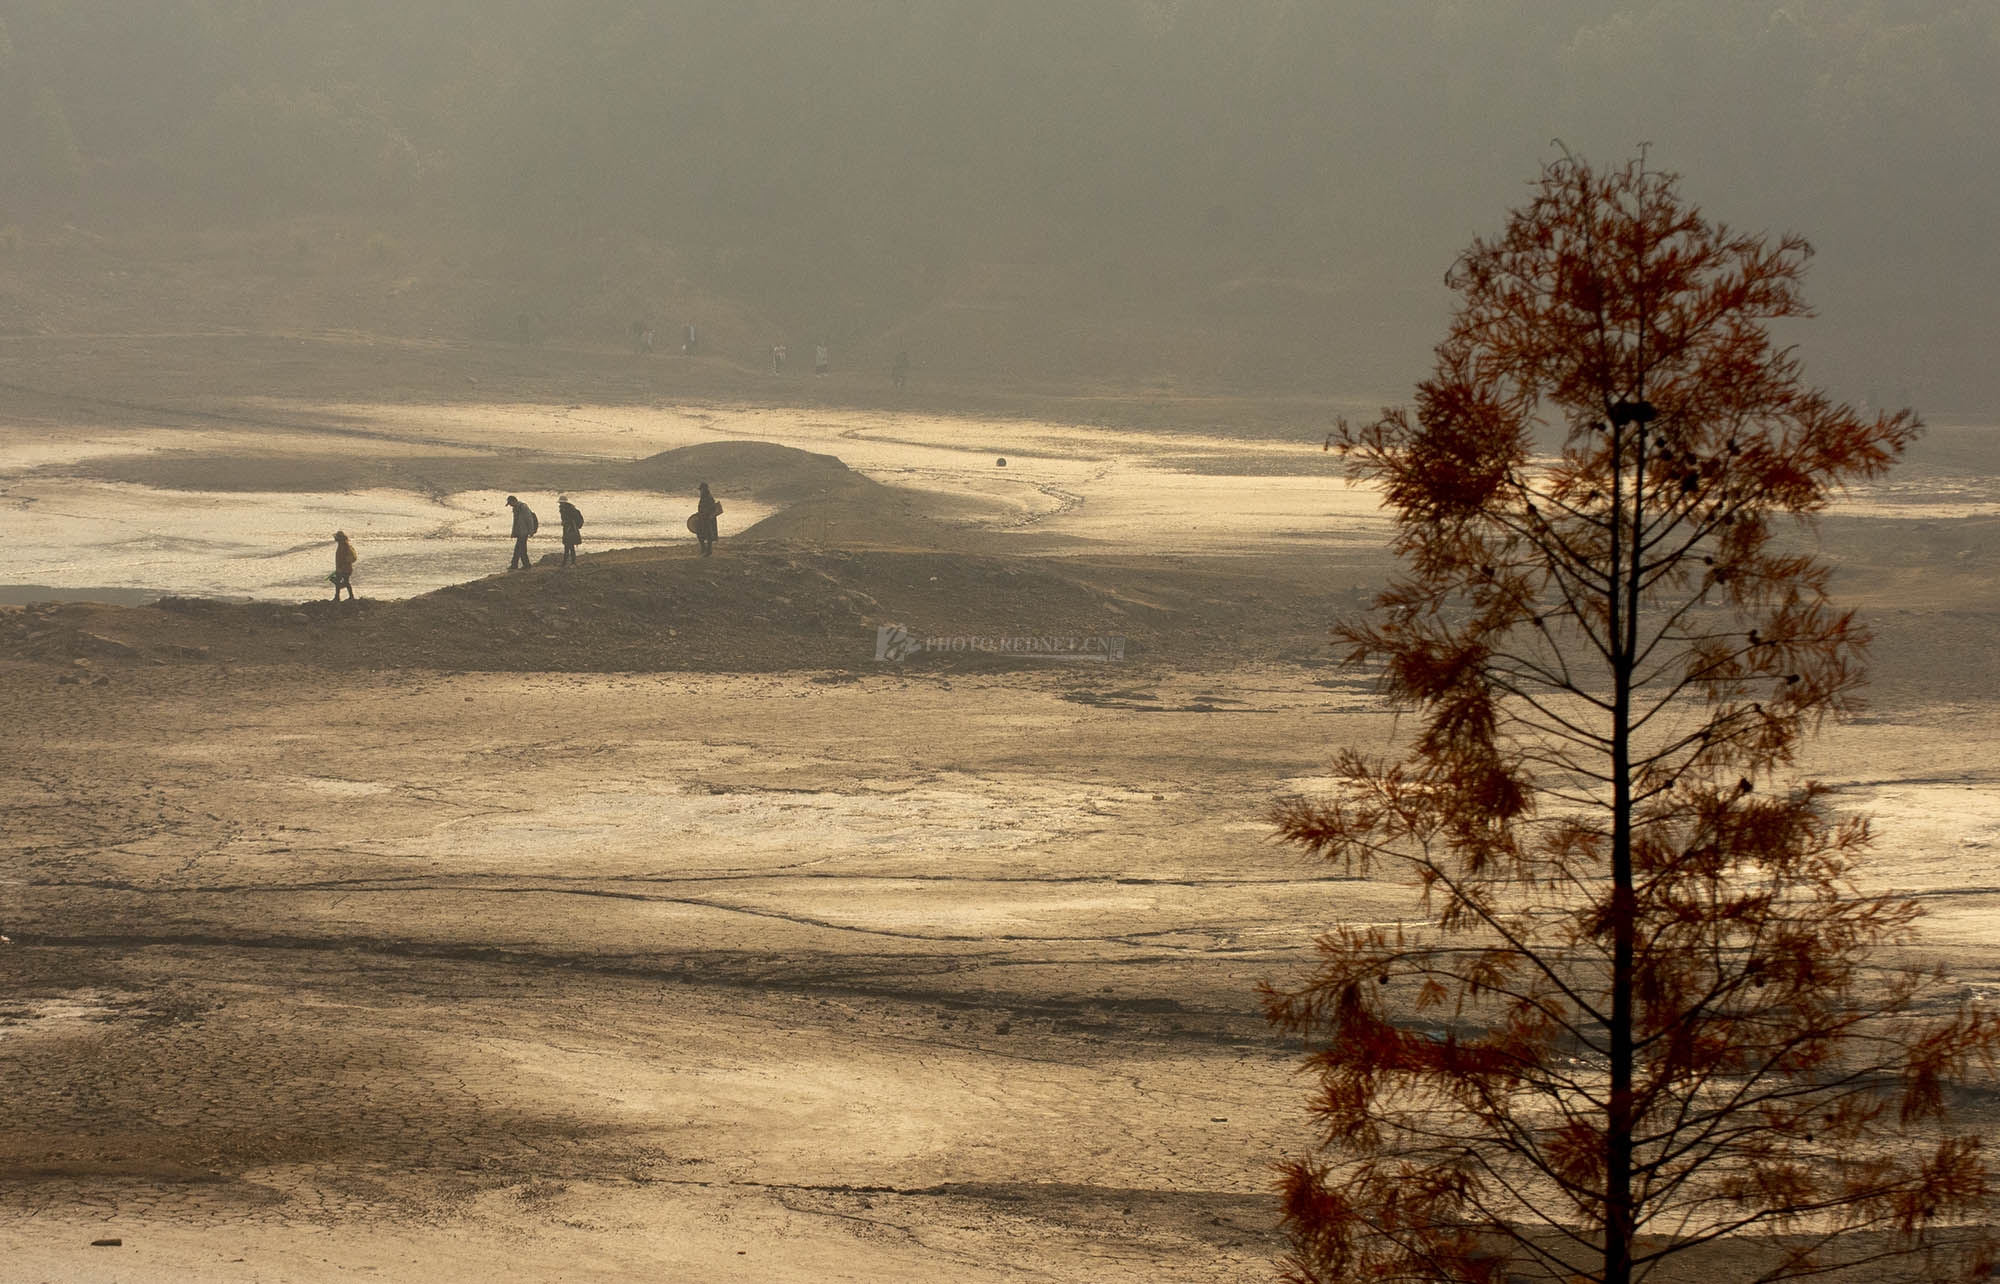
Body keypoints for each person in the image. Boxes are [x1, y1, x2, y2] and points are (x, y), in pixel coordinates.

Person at [505, 494, 538, 570]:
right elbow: (516, 522)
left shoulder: (523, 507)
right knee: (519, 549)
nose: (510, 505)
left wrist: (531, 531)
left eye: (510, 503)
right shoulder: (516, 508)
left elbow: (529, 519)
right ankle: (518, 565)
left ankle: (523, 565)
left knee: (520, 549)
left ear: (514, 501)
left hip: (524, 532)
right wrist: (514, 533)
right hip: (520, 532)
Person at [694, 482, 723, 557]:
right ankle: (704, 549)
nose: (701, 491)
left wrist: (705, 514)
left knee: (708, 534)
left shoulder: (709, 497)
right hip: (703, 518)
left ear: (704, 489)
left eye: (701, 489)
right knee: (700, 533)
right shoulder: (704, 497)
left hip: (707, 519)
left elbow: (711, 508)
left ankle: (708, 551)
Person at [330, 531, 358, 601]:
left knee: (341, 582)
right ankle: (341, 596)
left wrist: (340, 567)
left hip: (345, 569)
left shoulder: (344, 546)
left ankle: (340, 596)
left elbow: (343, 558)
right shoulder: (342, 545)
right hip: (343, 568)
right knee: (341, 581)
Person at [558, 494, 584, 567]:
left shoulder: (568, 509)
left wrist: (565, 523)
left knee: (568, 545)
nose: (560, 504)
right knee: (569, 546)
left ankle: (567, 562)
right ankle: (570, 562)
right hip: (569, 529)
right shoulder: (567, 508)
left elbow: (570, 520)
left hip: (570, 529)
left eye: (561, 503)